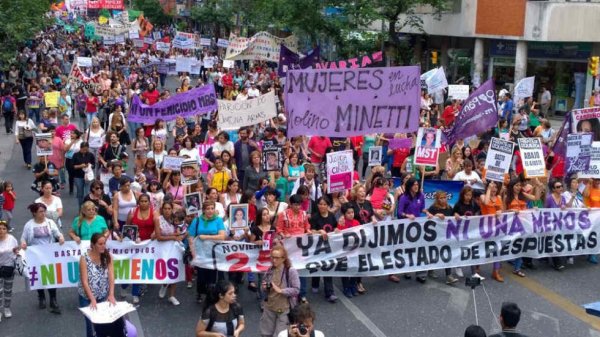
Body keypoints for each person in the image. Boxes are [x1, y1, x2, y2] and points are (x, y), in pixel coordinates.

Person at [20, 202, 65, 314]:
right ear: (34, 213)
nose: (43, 213)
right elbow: (23, 238)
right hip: (35, 255)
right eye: (40, 211)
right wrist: (24, 243)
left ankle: (53, 299)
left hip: (49, 254)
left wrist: (60, 238)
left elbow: (57, 233)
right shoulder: (29, 225)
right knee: (39, 276)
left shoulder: (50, 223)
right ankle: (41, 297)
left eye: (44, 211)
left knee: (51, 276)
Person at [78, 233, 125, 337]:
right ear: (93, 245)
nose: (103, 246)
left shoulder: (108, 256)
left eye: (104, 243)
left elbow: (111, 276)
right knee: (90, 325)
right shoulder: (84, 258)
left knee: (101, 324)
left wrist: (111, 294)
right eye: (100, 244)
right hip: (86, 297)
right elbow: (84, 281)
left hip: (102, 295)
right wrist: (92, 299)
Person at [188, 201, 227, 303]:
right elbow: (191, 238)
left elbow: (222, 236)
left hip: (213, 253)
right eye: (208, 209)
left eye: (212, 208)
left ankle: (210, 295)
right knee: (201, 276)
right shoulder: (196, 220)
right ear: (203, 210)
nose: (210, 211)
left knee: (212, 275)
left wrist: (206, 237)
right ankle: (200, 292)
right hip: (200, 253)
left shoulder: (218, 220)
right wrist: (193, 254)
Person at [259, 245, 300, 337]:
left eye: (277, 258)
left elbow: (296, 289)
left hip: (284, 309)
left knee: (280, 335)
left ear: (283, 258)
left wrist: (281, 291)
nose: (274, 260)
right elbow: (263, 288)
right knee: (265, 334)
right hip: (269, 307)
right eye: (272, 257)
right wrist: (264, 287)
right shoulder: (270, 270)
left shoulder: (291, 271)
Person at [124, 194, 156, 303]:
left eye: (145, 201)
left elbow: (158, 228)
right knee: (133, 268)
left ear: (149, 202)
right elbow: (126, 229)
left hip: (148, 245)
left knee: (141, 268)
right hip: (135, 245)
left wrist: (154, 233)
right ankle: (126, 287)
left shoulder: (154, 213)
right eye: (141, 201)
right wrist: (132, 238)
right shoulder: (132, 212)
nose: (143, 203)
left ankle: (135, 292)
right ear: (138, 202)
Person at [155, 201, 185, 306]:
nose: (167, 211)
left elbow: (182, 231)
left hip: (174, 249)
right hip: (163, 249)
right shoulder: (158, 220)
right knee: (165, 270)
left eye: (169, 209)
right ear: (162, 210)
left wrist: (181, 236)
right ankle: (164, 285)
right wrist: (173, 237)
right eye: (165, 209)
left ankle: (171, 296)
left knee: (174, 271)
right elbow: (159, 237)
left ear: (172, 210)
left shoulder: (175, 219)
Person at [309, 197, 337, 303]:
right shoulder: (314, 217)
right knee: (317, 266)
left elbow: (335, 227)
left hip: (329, 247)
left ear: (328, 206)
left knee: (327, 268)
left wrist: (336, 229)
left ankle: (330, 293)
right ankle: (315, 283)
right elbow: (310, 231)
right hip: (317, 248)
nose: (322, 206)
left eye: (325, 204)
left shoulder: (331, 216)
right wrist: (319, 231)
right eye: (320, 204)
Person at [0, 221, 19, 320]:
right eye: (0, 229)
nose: (1, 231)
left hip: (9, 268)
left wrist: (19, 252)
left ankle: (7, 308)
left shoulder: (11, 239)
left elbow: (16, 250)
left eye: (4, 229)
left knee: (8, 290)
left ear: (7, 230)